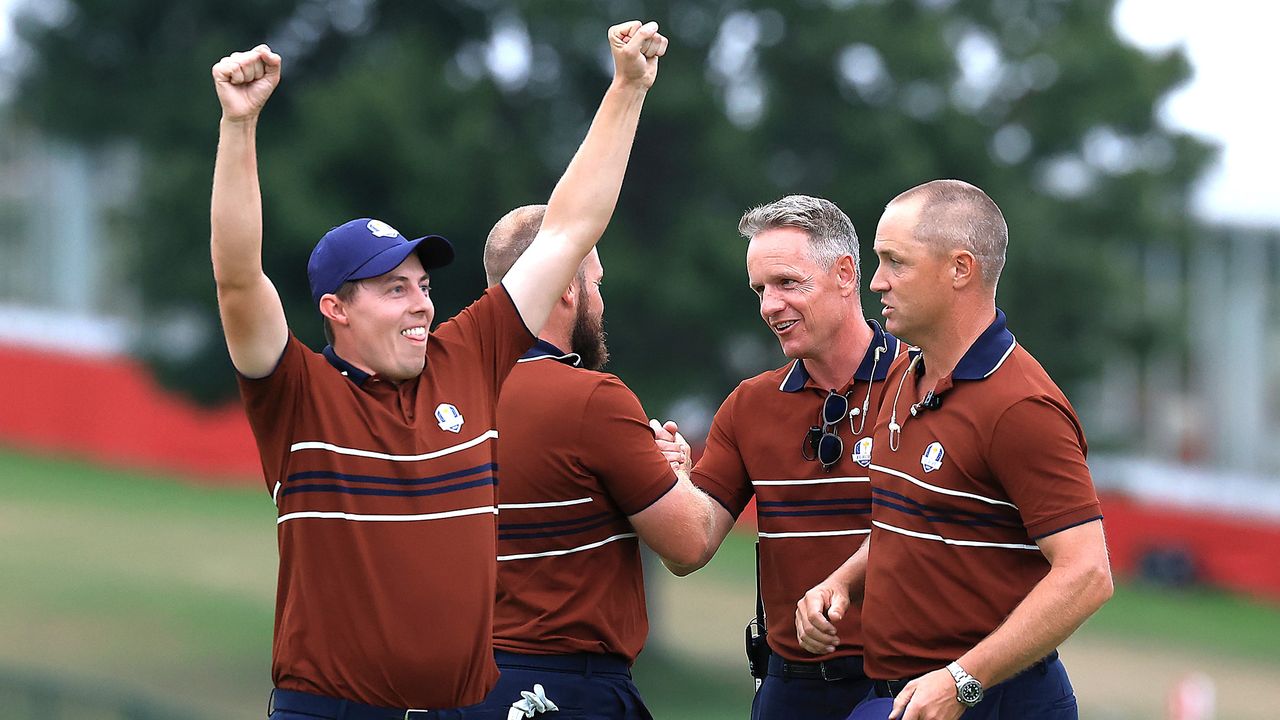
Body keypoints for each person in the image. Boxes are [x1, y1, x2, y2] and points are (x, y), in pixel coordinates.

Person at [209, 21, 667, 719]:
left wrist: (627, 88)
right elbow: (239, 279)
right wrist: (239, 126)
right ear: (336, 308)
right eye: (394, 288)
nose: (421, 303)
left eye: (423, 285)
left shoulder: (468, 357)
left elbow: (570, 229)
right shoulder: (297, 394)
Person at [795, 179, 1113, 720]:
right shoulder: (902, 373)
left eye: (895, 262)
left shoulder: (1021, 406)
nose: (876, 282)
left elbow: (1087, 575)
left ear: (960, 269)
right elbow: (920, 522)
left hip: (991, 700)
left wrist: (963, 679)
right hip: (900, 695)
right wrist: (842, 581)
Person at [450, 204, 716, 720]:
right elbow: (689, 545)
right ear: (568, 290)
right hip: (564, 690)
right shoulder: (593, 399)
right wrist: (677, 475)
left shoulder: (441, 390)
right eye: (596, 282)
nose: (600, 297)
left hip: (457, 688)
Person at [654, 195, 904, 720]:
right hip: (789, 688)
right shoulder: (749, 405)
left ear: (845, 274)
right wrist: (675, 486)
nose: (769, 306)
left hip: (904, 683)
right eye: (760, 290)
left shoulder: (923, 385)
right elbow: (687, 553)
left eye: (787, 283)